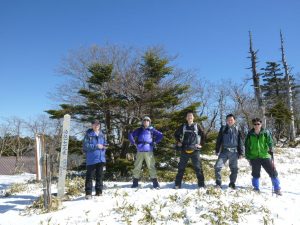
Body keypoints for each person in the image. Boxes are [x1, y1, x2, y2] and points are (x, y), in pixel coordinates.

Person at [245, 117, 282, 195]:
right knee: (255, 174)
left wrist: (271, 147)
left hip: (265, 156)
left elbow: (270, 142)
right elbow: (247, 146)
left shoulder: (266, 132)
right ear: (253, 125)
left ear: (261, 124)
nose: (257, 125)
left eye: (258, 124)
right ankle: (256, 188)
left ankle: (277, 188)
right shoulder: (250, 134)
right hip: (254, 157)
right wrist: (248, 157)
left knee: (273, 172)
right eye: (255, 124)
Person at [128, 116, 163, 188]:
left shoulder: (152, 130)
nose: (146, 121)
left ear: (149, 122)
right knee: (137, 166)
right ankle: (135, 182)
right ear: (142, 122)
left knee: (151, 166)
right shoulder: (139, 130)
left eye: (147, 120)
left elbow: (160, 135)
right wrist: (133, 142)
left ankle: (155, 182)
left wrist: (155, 142)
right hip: (140, 150)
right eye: (144, 120)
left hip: (149, 150)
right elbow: (130, 134)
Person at [174, 111, 205, 189]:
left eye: (191, 116)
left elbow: (204, 135)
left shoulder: (197, 126)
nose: (190, 117)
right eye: (188, 116)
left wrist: (201, 144)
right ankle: (177, 184)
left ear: (193, 117)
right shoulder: (183, 126)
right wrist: (178, 142)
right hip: (184, 150)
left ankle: (201, 185)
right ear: (186, 118)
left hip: (195, 151)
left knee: (198, 168)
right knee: (181, 168)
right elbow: (176, 134)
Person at [214, 114, 244, 189]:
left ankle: (232, 183)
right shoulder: (223, 128)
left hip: (234, 152)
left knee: (234, 169)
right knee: (217, 167)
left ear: (234, 120)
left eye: (231, 120)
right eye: (228, 120)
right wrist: (217, 150)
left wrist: (241, 153)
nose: (230, 121)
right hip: (224, 151)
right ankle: (218, 183)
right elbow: (219, 140)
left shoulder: (237, 129)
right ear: (226, 121)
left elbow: (240, 142)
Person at [83, 119, 108, 199]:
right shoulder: (88, 134)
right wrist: (96, 146)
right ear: (92, 125)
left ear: (99, 125)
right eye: (94, 124)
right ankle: (88, 193)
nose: (96, 126)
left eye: (98, 124)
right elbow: (85, 146)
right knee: (89, 176)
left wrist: (105, 147)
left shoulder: (102, 134)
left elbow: (105, 144)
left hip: (101, 158)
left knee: (99, 176)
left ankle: (99, 192)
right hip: (91, 159)